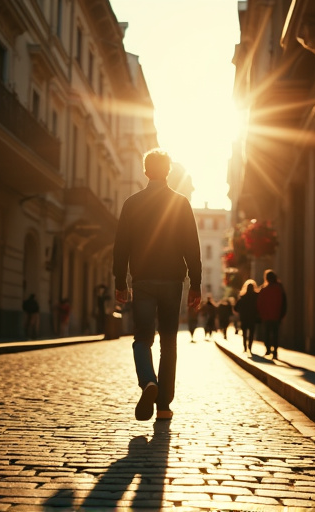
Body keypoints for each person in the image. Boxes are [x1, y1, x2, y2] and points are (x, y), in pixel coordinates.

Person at [113, 148, 202, 422]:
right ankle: (163, 406)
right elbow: (192, 246)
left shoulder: (131, 203)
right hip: (173, 281)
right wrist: (195, 284)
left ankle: (148, 381)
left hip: (143, 280)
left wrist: (120, 281)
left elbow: (121, 247)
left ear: (145, 171)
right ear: (168, 171)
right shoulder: (181, 202)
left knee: (142, 338)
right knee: (169, 342)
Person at [257, 270, 287, 359]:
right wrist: (282, 314)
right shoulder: (279, 288)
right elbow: (284, 302)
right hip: (276, 316)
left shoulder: (263, 289)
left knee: (267, 333)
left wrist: (261, 314)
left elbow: (259, 303)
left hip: (266, 316)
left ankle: (268, 349)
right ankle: (275, 352)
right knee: (275, 334)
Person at [234, 279, 260, 354]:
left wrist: (241, 311)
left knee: (244, 333)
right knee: (251, 333)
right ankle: (250, 347)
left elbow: (236, 308)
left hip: (244, 318)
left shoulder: (243, 297)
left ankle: (245, 347)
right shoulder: (256, 296)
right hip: (252, 317)